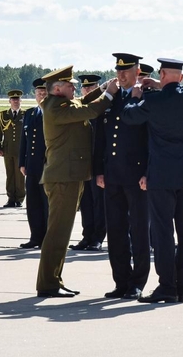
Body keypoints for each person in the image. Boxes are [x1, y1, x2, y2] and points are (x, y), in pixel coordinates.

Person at [121, 58, 183, 303]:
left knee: (163, 232)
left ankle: (167, 285)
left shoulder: (153, 101)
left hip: (162, 175)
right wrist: (161, 83)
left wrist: (136, 94)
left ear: (162, 73)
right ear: (180, 76)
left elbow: (128, 116)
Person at [35, 66, 118, 298]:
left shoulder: (61, 104)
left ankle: (53, 280)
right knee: (57, 234)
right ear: (58, 89)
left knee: (61, 233)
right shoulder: (55, 107)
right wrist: (109, 95)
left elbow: (82, 102)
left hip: (69, 177)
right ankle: (48, 283)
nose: (75, 87)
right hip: (63, 179)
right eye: (70, 85)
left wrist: (101, 88)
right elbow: (90, 110)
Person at [94, 54, 150, 300]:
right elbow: (101, 138)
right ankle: (121, 281)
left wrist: (148, 172)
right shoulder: (110, 99)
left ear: (137, 72)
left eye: (126, 71)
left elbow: (151, 141)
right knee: (115, 231)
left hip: (136, 176)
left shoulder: (145, 99)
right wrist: (98, 170)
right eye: (118, 71)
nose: (121, 76)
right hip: (112, 174)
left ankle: (137, 282)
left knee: (138, 230)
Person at [69, 74, 107, 252]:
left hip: (98, 164)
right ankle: (87, 236)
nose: (87, 90)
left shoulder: (103, 110)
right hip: (83, 164)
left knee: (99, 203)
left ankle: (98, 238)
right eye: (85, 88)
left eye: (91, 87)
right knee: (86, 203)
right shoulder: (80, 109)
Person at [18, 78, 49, 249]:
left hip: (47, 165)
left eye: (45, 93)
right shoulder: (30, 114)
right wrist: (22, 162)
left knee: (47, 204)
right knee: (33, 204)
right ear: (35, 95)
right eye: (39, 93)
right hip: (32, 166)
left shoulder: (52, 113)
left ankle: (47, 238)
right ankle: (35, 236)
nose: (42, 96)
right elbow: (24, 140)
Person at [0, 90, 25, 208]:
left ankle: (20, 199)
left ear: (20, 100)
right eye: (13, 99)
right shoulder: (3, 115)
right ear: (9, 101)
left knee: (20, 176)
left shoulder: (26, 114)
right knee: (10, 175)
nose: (15, 101)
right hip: (7, 150)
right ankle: (11, 198)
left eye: (17, 99)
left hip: (20, 150)